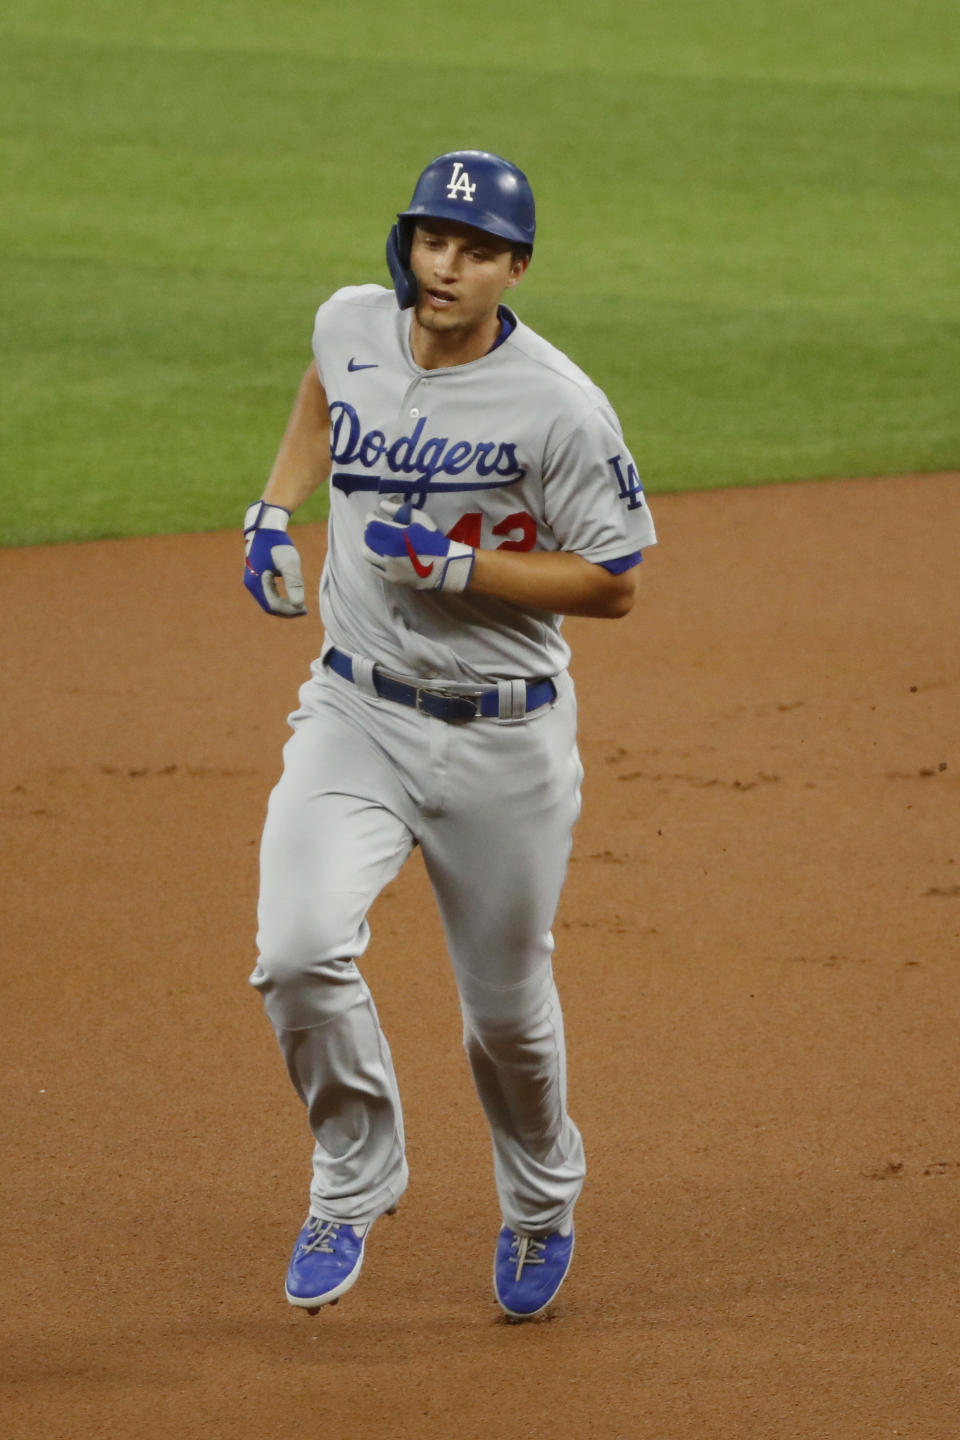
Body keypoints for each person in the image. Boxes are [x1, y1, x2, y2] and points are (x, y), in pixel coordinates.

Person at [243, 150, 657, 1321]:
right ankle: (355, 1174)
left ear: (513, 268)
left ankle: (540, 1203)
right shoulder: (351, 323)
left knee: (505, 1011)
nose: (445, 264)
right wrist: (274, 510)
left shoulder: (560, 405)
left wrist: (471, 568)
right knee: (297, 949)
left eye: (475, 249)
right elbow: (326, 394)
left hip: (502, 740)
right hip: (354, 709)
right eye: (433, 238)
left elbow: (616, 580)